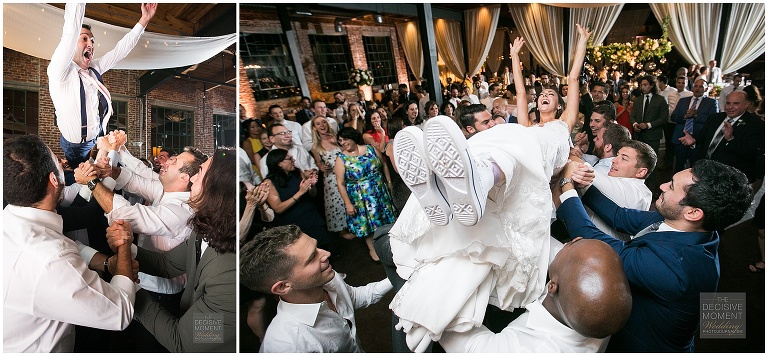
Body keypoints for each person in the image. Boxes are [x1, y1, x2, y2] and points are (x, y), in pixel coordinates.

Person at [387, 24, 592, 352]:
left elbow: (571, 80)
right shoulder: (520, 123)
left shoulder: (561, 125)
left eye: (551, 96)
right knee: (497, 135)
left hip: (543, 159)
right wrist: (513, 58)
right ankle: (460, 183)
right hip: (515, 168)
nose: (545, 97)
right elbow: (520, 92)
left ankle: (471, 179)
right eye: (543, 95)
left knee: (518, 137)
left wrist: (581, 44)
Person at [556, 159, 752, 352]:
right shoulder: (689, 224)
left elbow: (595, 243)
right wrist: (584, 185)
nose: (662, 185)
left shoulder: (676, 268)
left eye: (672, 186)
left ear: (693, 213)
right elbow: (620, 217)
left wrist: (566, 185)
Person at [4, 135, 136, 352]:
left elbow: (75, 215)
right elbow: (120, 311)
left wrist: (106, 264)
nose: (64, 164)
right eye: (58, 162)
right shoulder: (52, 258)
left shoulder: (13, 220)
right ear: (54, 180)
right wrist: (124, 244)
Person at [105, 148, 238, 352]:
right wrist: (126, 247)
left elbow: (184, 343)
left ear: (216, 188)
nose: (192, 180)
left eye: (199, 173)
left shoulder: (228, 276)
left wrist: (128, 284)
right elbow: (166, 264)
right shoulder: (205, 230)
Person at [440, 238, 632, 352]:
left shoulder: (526, 349)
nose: (569, 241)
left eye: (570, 246)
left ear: (552, 286)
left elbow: (463, 341)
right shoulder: (600, 314)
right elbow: (557, 253)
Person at [240, 225, 393, 352]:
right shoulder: (288, 345)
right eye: (312, 257)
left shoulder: (328, 279)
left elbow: (353, 297)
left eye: (317, 248)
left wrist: (398, 277)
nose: (326, 254)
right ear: (283, 286)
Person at [49, 3, 156, 168]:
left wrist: (144, 20)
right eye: (84, 38)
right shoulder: (59, 71)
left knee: (109, 174)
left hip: (98, 138)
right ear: (72, 46)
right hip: (77, 148)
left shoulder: (94, 69)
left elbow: (120, 50)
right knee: (83, 180)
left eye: (92, 40)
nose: (90, 43)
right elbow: (70, 32)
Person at [334, 127, 396, 261]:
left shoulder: (370, 149)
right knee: (367, 224)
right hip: (360, 197)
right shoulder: (341, 159)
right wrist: (348, 204)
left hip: (379, 190)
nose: (343, 143)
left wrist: (389, 182)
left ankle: (392, 244)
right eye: (340, 141)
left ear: (353, 137)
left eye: (345, 139)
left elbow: (384, 165)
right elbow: (340, 183)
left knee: (386, 218)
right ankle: (372, 249)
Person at [693, 91, 765, 183]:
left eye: (736, 103)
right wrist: (693, 141)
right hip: (703, 172)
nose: (730, 107)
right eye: (728, 103)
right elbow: (702, 139)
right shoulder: (715, 118)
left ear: (746, 104)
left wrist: (731, 139)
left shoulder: (756, 125)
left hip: (729, 179)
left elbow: (751, 153)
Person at [263, 149, 328, 248]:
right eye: (290, 158)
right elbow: (278, 208)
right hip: (293, 223)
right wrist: (300, 193)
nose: (293, 160)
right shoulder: (269, 183)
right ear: (280, 163)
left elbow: (312, 195)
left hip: (311, 216)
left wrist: (312, 185)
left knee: (323, 248)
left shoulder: (297, 172)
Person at [309, 116, 354, 240]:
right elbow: (318, 163)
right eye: (318, 124)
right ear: (314, 128)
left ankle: (354, 224)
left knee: (351, 198)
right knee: (337, 202)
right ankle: (342, 230)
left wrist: (337, 143)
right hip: (331, 178)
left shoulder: (336, 137)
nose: (322, 125)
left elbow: (349, 151)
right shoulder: (315, 146)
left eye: (324, 122)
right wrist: (321, 167)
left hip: (347, 173)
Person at [671, 78, 719, 172]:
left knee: (696, 169)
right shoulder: (683, 101)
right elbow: (673, 117)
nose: (697, 88)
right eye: (695, 86)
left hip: (698, 141)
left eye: (701, 86)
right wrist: (685, 116)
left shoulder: (711, 103)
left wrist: (696, 116)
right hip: (681, 139)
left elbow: (713, 121)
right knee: (678, 167)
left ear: (706, 89)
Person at [630, 75, 669, 155]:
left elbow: (664, 118)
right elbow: (632, 116)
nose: (642, 87)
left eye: (645, 85)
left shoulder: (660, 100)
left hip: (653, 135)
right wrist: (635, 124)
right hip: (639, 136)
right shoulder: (638, 100)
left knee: (652, 159)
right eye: (641, 85)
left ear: (652, 85)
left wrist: (648, 125)